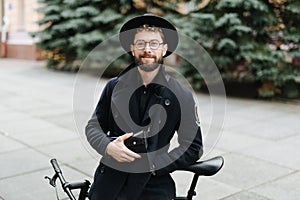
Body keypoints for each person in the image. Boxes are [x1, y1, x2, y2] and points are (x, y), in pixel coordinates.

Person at [86, 14, 203, 200]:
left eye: (154, 44)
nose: (147, 49)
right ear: (132, 49)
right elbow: (93, 127)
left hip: (153, 184)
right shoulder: (113, 86)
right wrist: (107, 146)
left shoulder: (182, 96)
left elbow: (193, 147)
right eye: (140, 43)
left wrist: (156, 164)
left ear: (164, 49)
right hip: (110, 180)